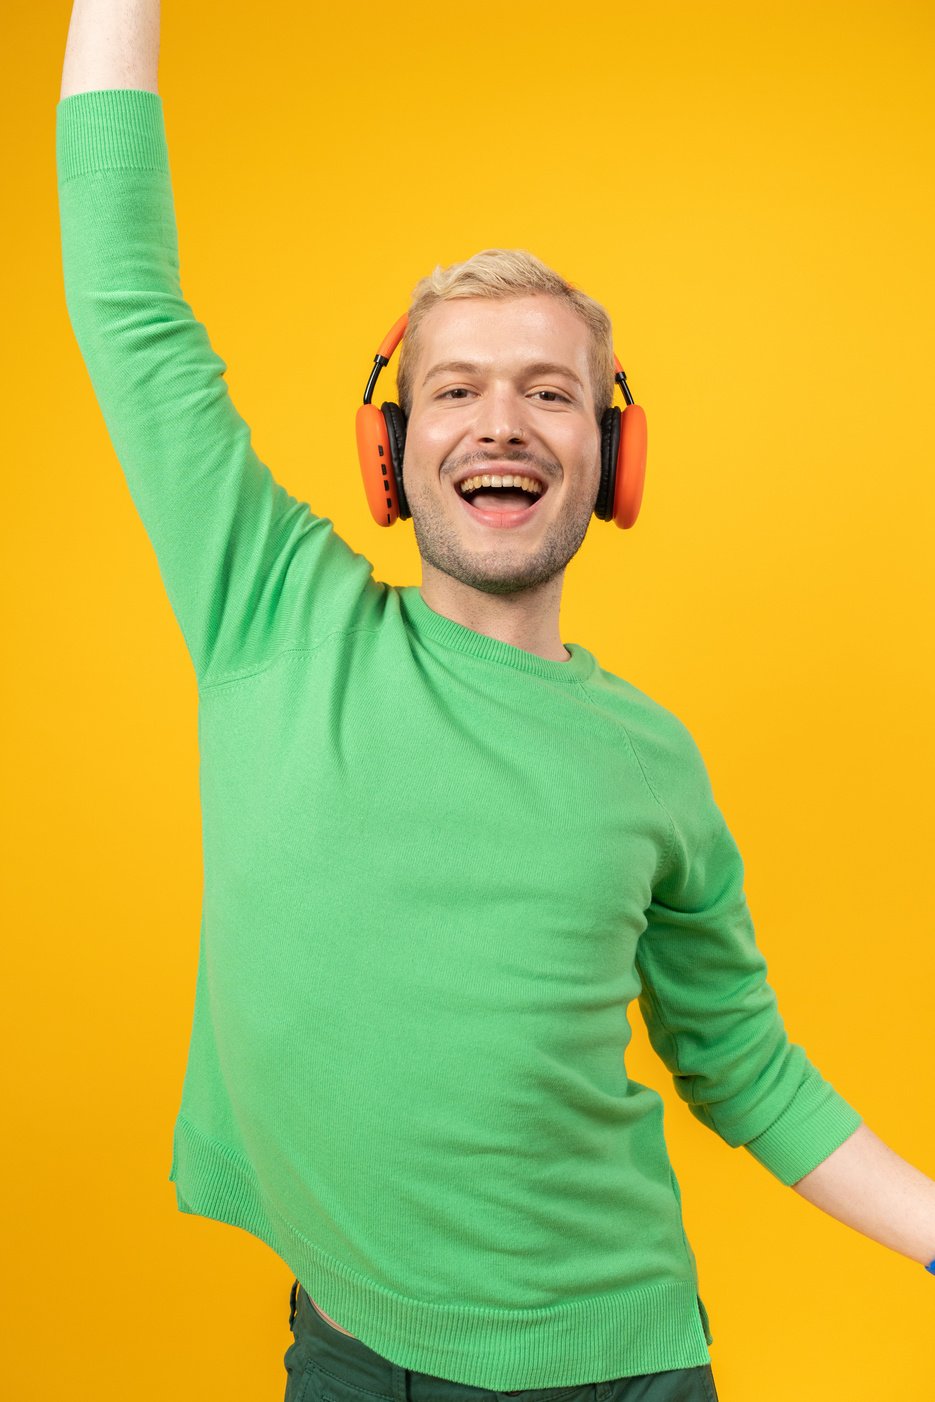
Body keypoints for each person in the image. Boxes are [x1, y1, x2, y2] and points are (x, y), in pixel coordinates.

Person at [58, 5, 935, 1401]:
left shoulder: (654, 762)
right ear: (393, 453)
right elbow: (124, 303)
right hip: (344, 1349)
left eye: (551, 392)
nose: (502, 421)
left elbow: (747, 1066)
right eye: (453, 388)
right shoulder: (272, 613)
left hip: (614, 1362)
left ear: (611, 455)